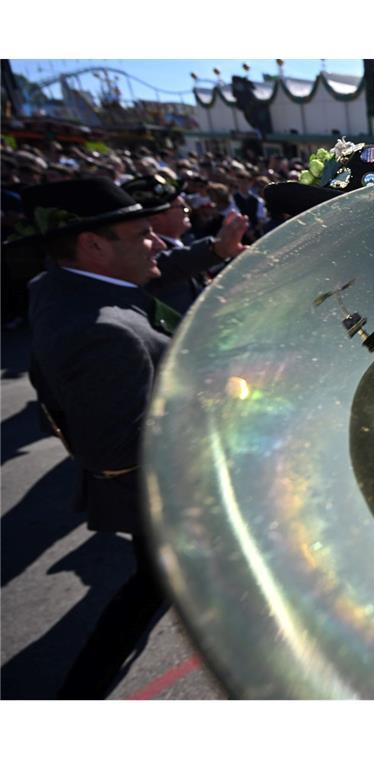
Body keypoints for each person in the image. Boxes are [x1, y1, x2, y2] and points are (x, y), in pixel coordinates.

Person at [20, 177, 247, 697]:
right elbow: (116, 448)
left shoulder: (67, 284)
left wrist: (213, 251)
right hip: (159, 495)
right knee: (152, 590)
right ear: (93, 244)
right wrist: (213, 395)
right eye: (144, 233)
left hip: (150, 495)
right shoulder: (101, 332)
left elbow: (147, 273)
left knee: (149, 585)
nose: (158, 243)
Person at [120, 173, 248, 314]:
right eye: (181, 208)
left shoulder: (185, 241)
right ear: (156, 218)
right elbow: (169, 264)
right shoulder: (149, 257)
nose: (188, 210)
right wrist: (217, 249)